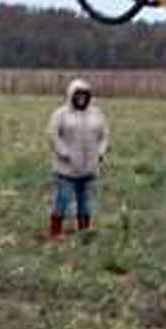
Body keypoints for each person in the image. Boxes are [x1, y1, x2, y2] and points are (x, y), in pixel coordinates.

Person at [47, 78, 108, 238]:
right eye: (78, 95)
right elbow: (53, 136)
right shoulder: (60, 114)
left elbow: (104, 135)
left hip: (89, 168)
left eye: (84, 95)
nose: (81, 98)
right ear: (71, 95)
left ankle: (84, 232)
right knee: (62, 199)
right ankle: (55, 232)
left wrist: (101, 152)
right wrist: (63, 153)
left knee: (85, 202)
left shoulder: (97, 114)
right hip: (66, 169)